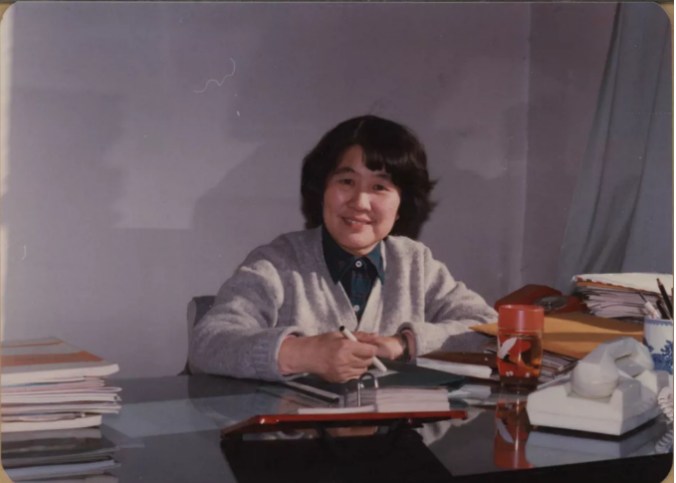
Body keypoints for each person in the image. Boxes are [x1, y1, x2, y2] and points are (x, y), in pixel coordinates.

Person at [189, 115, 497, 383]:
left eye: (379, 187)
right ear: (322, 190)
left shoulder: (416, 264)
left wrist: (403, 344)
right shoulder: (277, 262)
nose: (360, 202)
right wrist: (302, 353)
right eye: (346, 181)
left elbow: (492, 331)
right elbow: (208, 342)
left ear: (401, 205)